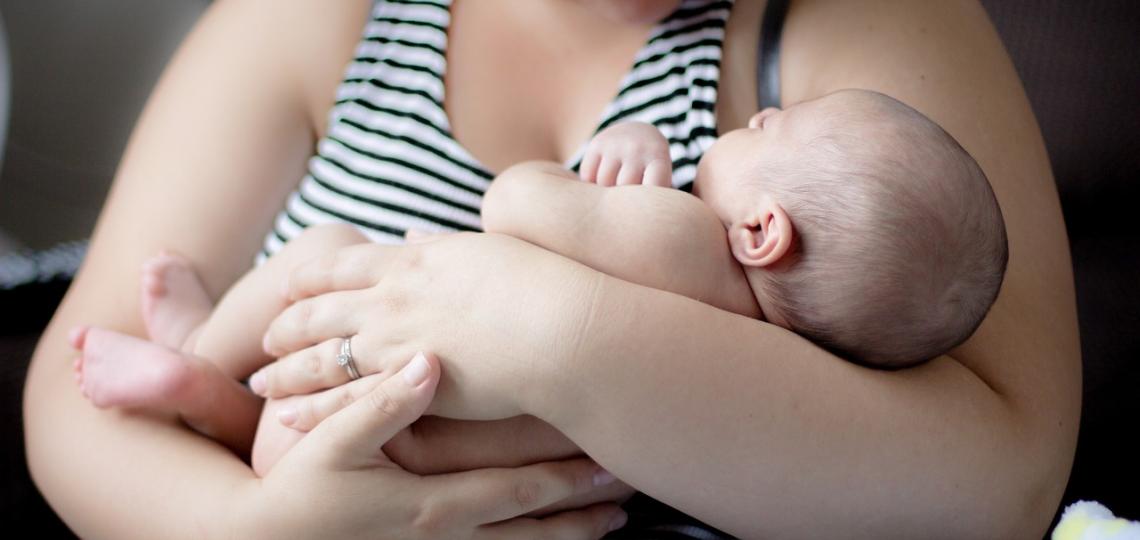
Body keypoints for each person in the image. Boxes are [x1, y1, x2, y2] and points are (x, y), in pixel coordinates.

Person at [23, 0, 1080, 538]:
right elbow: (76, 406)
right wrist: (262, 533)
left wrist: (549, 334)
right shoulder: (323, 19)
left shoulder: (851, 55)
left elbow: (1005, 478)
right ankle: (203, 372)